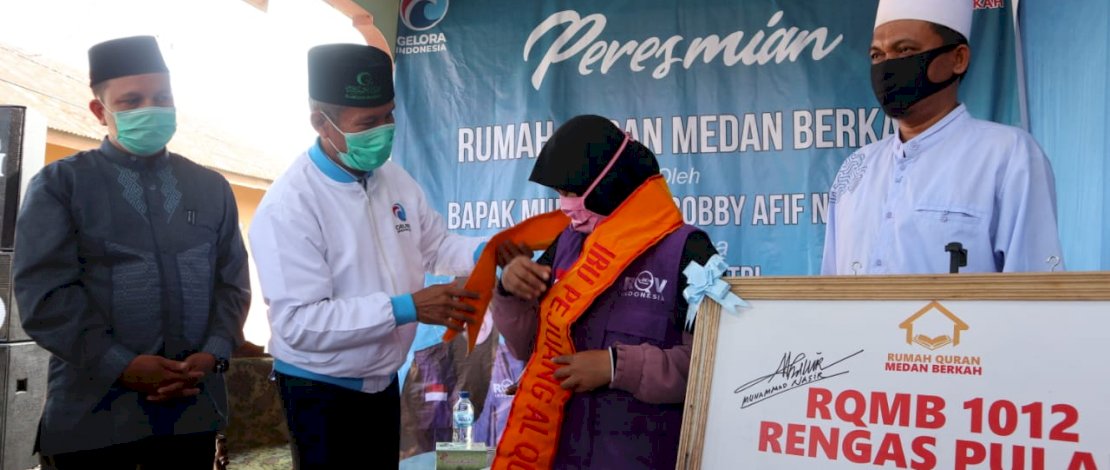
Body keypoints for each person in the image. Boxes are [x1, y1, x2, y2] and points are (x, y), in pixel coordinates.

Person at [249, 43, 520, 469]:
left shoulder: (393, 179)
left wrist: (485, 250)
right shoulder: (290, 206)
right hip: (320, 392)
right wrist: (405, 308)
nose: (385, 129)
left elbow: (434, 244)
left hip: (380, 383)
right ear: (321, 122)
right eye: (369, 122)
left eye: (390, 114)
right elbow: (298, 323)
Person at [13, 35, 250, 469]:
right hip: (93, 420)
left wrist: (213, 353)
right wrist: (124, 365)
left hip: (191, 415)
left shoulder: (211, 188)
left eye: (162, 97)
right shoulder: (60, 186)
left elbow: (232, 285)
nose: (150, 108)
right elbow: (46, 296)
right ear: (100, 112)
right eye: (132, 100)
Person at [490, 115, 725, 469]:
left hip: (645, 456)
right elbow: (527, 347)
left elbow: (718, 365)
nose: (565, 205)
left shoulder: (688, 250)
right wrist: (508, 291)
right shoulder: (567, 244)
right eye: (559, 194)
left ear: (608, 183)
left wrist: (618, 367)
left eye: (572, 192)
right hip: (561, 453)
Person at [821, 0, 1065, 275]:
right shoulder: (857, 169)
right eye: (877, 55)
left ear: (958, 59)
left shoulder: (1009, 156)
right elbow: (830, 293)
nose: (887, 66)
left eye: (905, 50)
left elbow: (1035, 295)